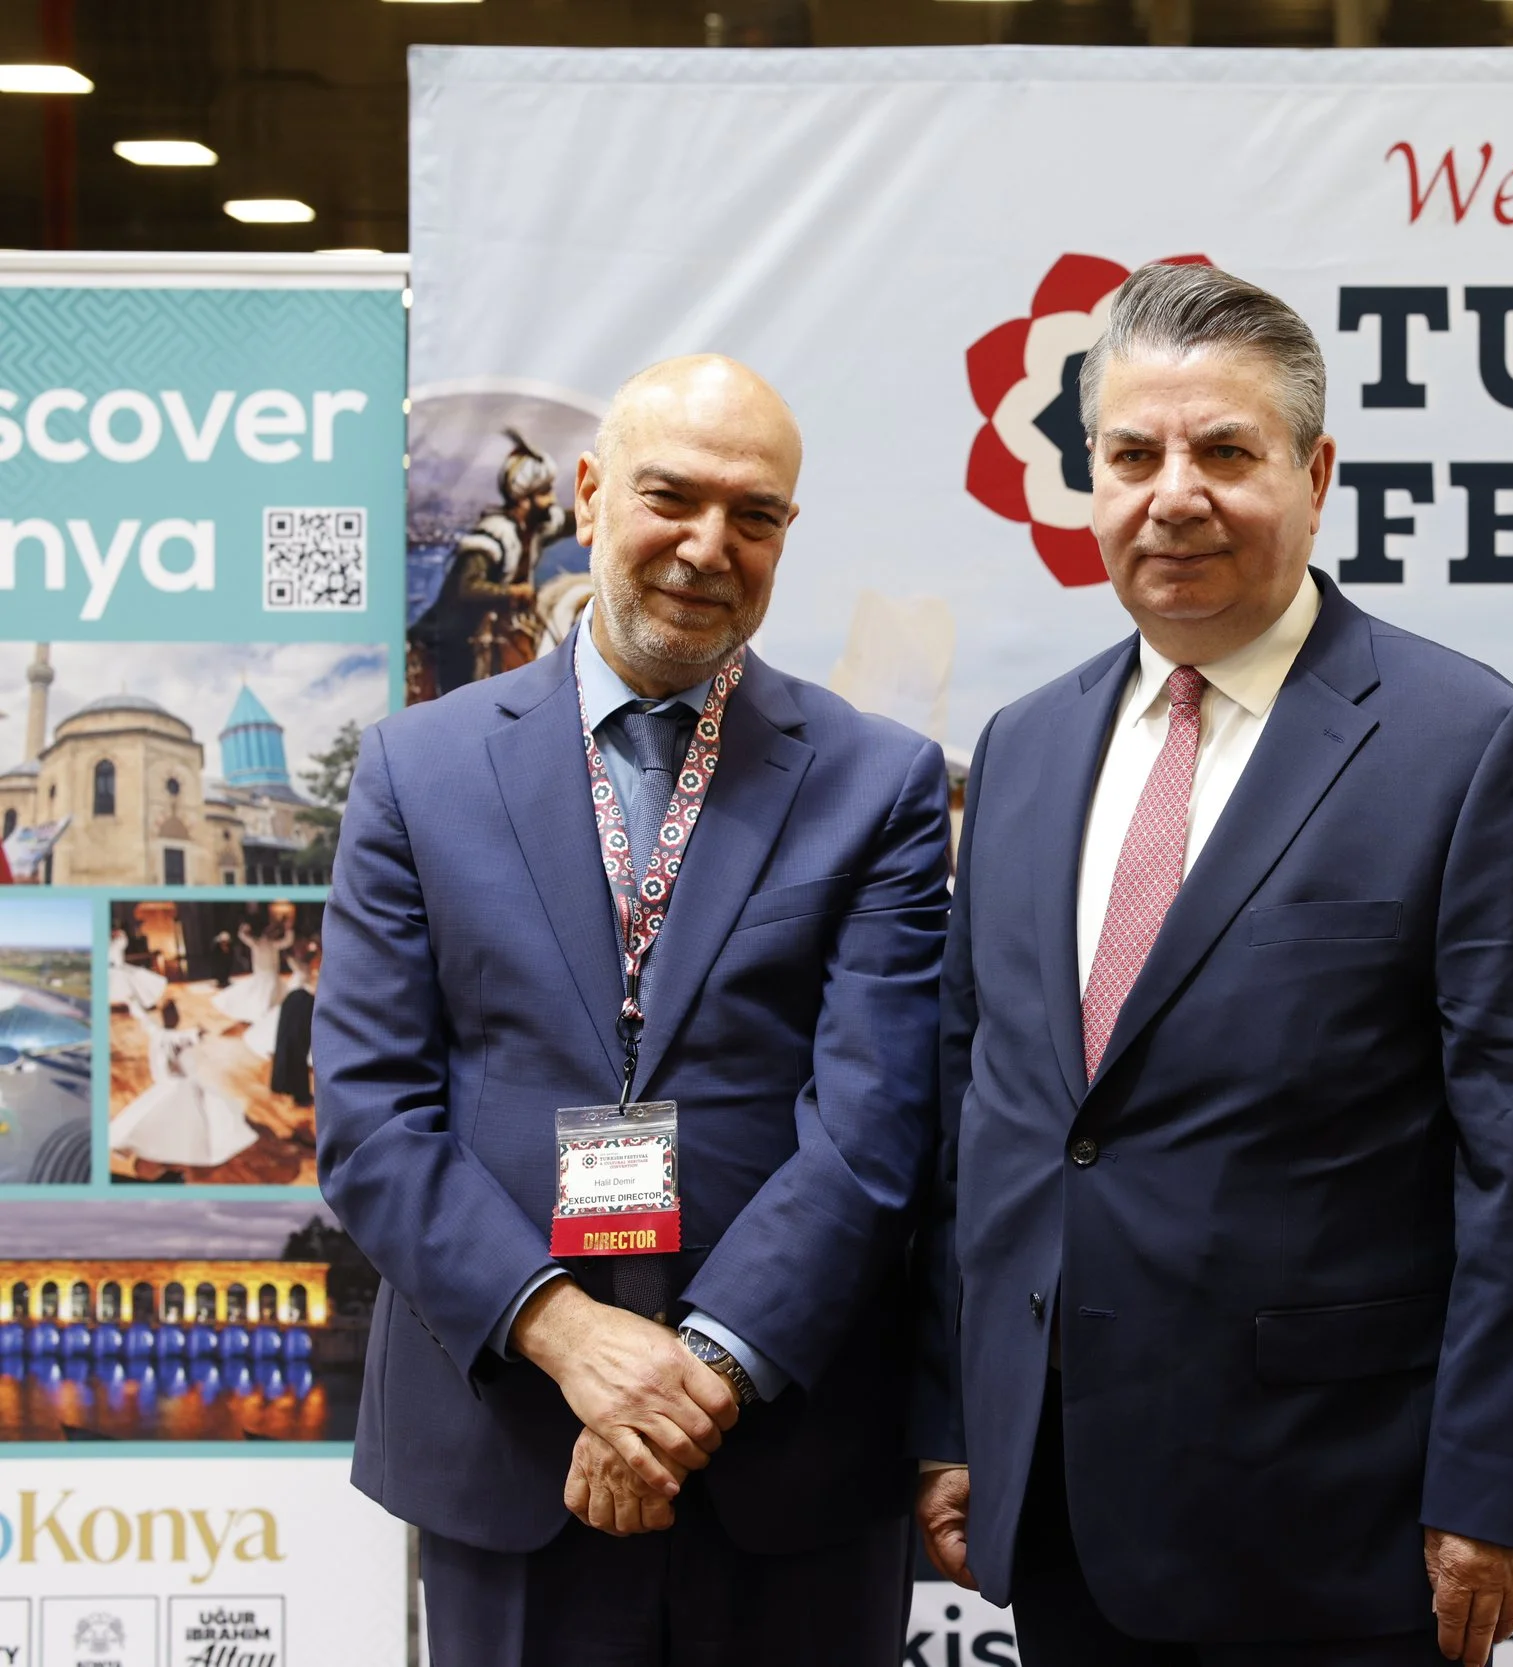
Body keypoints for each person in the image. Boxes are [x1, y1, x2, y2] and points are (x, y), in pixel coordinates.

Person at [912, 263, 1513, 1667]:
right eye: (1133, 454)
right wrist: (955, 1416)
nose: (1175, 493)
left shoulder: (1465, 745)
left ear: (1314, 471)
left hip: (1336, 1524)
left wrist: (1492, 1486)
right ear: (1090, 483)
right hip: (1055, 1512)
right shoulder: (1023, 750)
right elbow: (971, 1118)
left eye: (1225, 450)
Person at [315, 356, 952, 1665]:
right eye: (672, 496)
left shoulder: (879, 784)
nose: (708, 545)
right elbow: (371, 1113)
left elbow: (879, 1121)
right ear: (592, 494)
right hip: (509, 1439)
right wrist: (569, 1335)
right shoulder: (416, 770)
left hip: (786, 1449)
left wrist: (699, 1368)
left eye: (755, 513)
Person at [408, 430, 578, 699]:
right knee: (461, 696)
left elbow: (570, 520)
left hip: (494, 625)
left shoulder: (536, 526)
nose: (552, 500)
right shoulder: (494, 535)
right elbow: (468, 587)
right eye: (545, 492)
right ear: (525, 498)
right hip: (455, 635)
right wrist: (513, 592)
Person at [109, 997, 257, 1169]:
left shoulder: (156, 1031)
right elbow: (190, 1036)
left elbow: (145, 1020)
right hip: (176, 1084)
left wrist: (134, 1005)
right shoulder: (173, 1036)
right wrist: (200, 1033)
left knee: (154, 1113)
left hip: (167, 1083)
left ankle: (135, 1142)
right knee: (182, 1115)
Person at [267, 941, 318, 1108]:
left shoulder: (305, 964)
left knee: (294, 1049)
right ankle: (298, 1092)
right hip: (299, 1003)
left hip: (298, 1003)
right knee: (294, 1049)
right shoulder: (299, 963)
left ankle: (296, 1090)